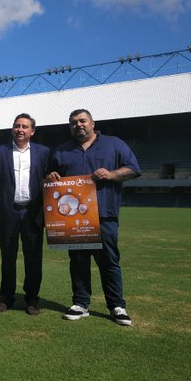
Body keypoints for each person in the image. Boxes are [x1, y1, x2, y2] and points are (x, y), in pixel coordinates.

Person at [47, 109, 140, 326]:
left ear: (92, 123)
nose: (78, 125)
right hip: (73, 219)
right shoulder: (62, 150)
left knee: (109, 261)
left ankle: (117, 306)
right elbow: (50, 177)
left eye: (82, 121)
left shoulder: (114, 144)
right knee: (78, 262)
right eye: (73, 122)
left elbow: (134, 169)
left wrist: (112, 174)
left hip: (104, 214)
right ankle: (81, 303)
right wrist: (51, 176)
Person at [0, 113, 50, 316]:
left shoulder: (44, 152)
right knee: (8, 258)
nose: (20, 129)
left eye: (25, 126)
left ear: (32, 131)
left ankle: (32, 299)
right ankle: (6, 298)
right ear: (12, 129)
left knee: (34, 258)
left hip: (33, 213)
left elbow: (50, 179)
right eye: (17, 126)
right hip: (8, 212)